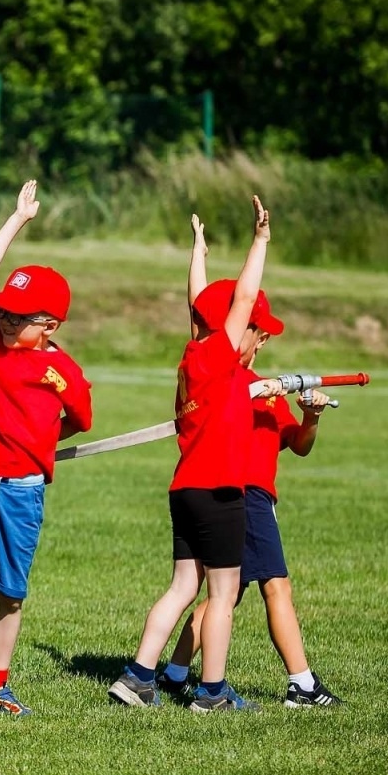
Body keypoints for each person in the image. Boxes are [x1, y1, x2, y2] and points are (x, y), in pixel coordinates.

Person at [0, 180, 92, 718]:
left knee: (11, 593)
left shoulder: (63, 371)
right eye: (4, 311)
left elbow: (79, 419)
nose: (5, 319)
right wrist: (17, 219)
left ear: (49, 325)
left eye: (19, 316)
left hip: (23, 492)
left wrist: (41, 440)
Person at [110, 199, 270, 712]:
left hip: (185, 489)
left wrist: (196, 252)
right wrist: (260, 240)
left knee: (183, 586)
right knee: (222, 595)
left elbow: (198, 305)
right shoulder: (222, 359)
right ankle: (212, 693)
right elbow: (241, 298)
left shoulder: (192, 355)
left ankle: (137, 676)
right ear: (227, 327)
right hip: (221, 489)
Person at [157, 295, 345, 707]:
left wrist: (311, 417)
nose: (261, 343)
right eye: (257, 333)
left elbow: (297, 445)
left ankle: (173, 674)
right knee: (276, 586)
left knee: (227, 594)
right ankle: (303, 684)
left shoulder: (269, 393)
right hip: (243, 496)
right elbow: (201, 324)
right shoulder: (222, 382)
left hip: (252, 497)